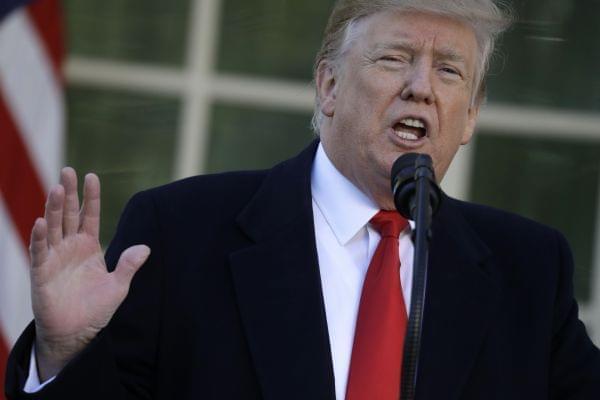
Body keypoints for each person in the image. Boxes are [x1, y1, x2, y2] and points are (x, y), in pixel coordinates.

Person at [5, 0, 600, 399]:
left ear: (470, 115)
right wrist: (61, 355)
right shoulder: (181, 230)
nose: (421, 86)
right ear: (329, 84)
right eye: (395, 58)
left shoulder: (529, 269)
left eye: (449, 72)